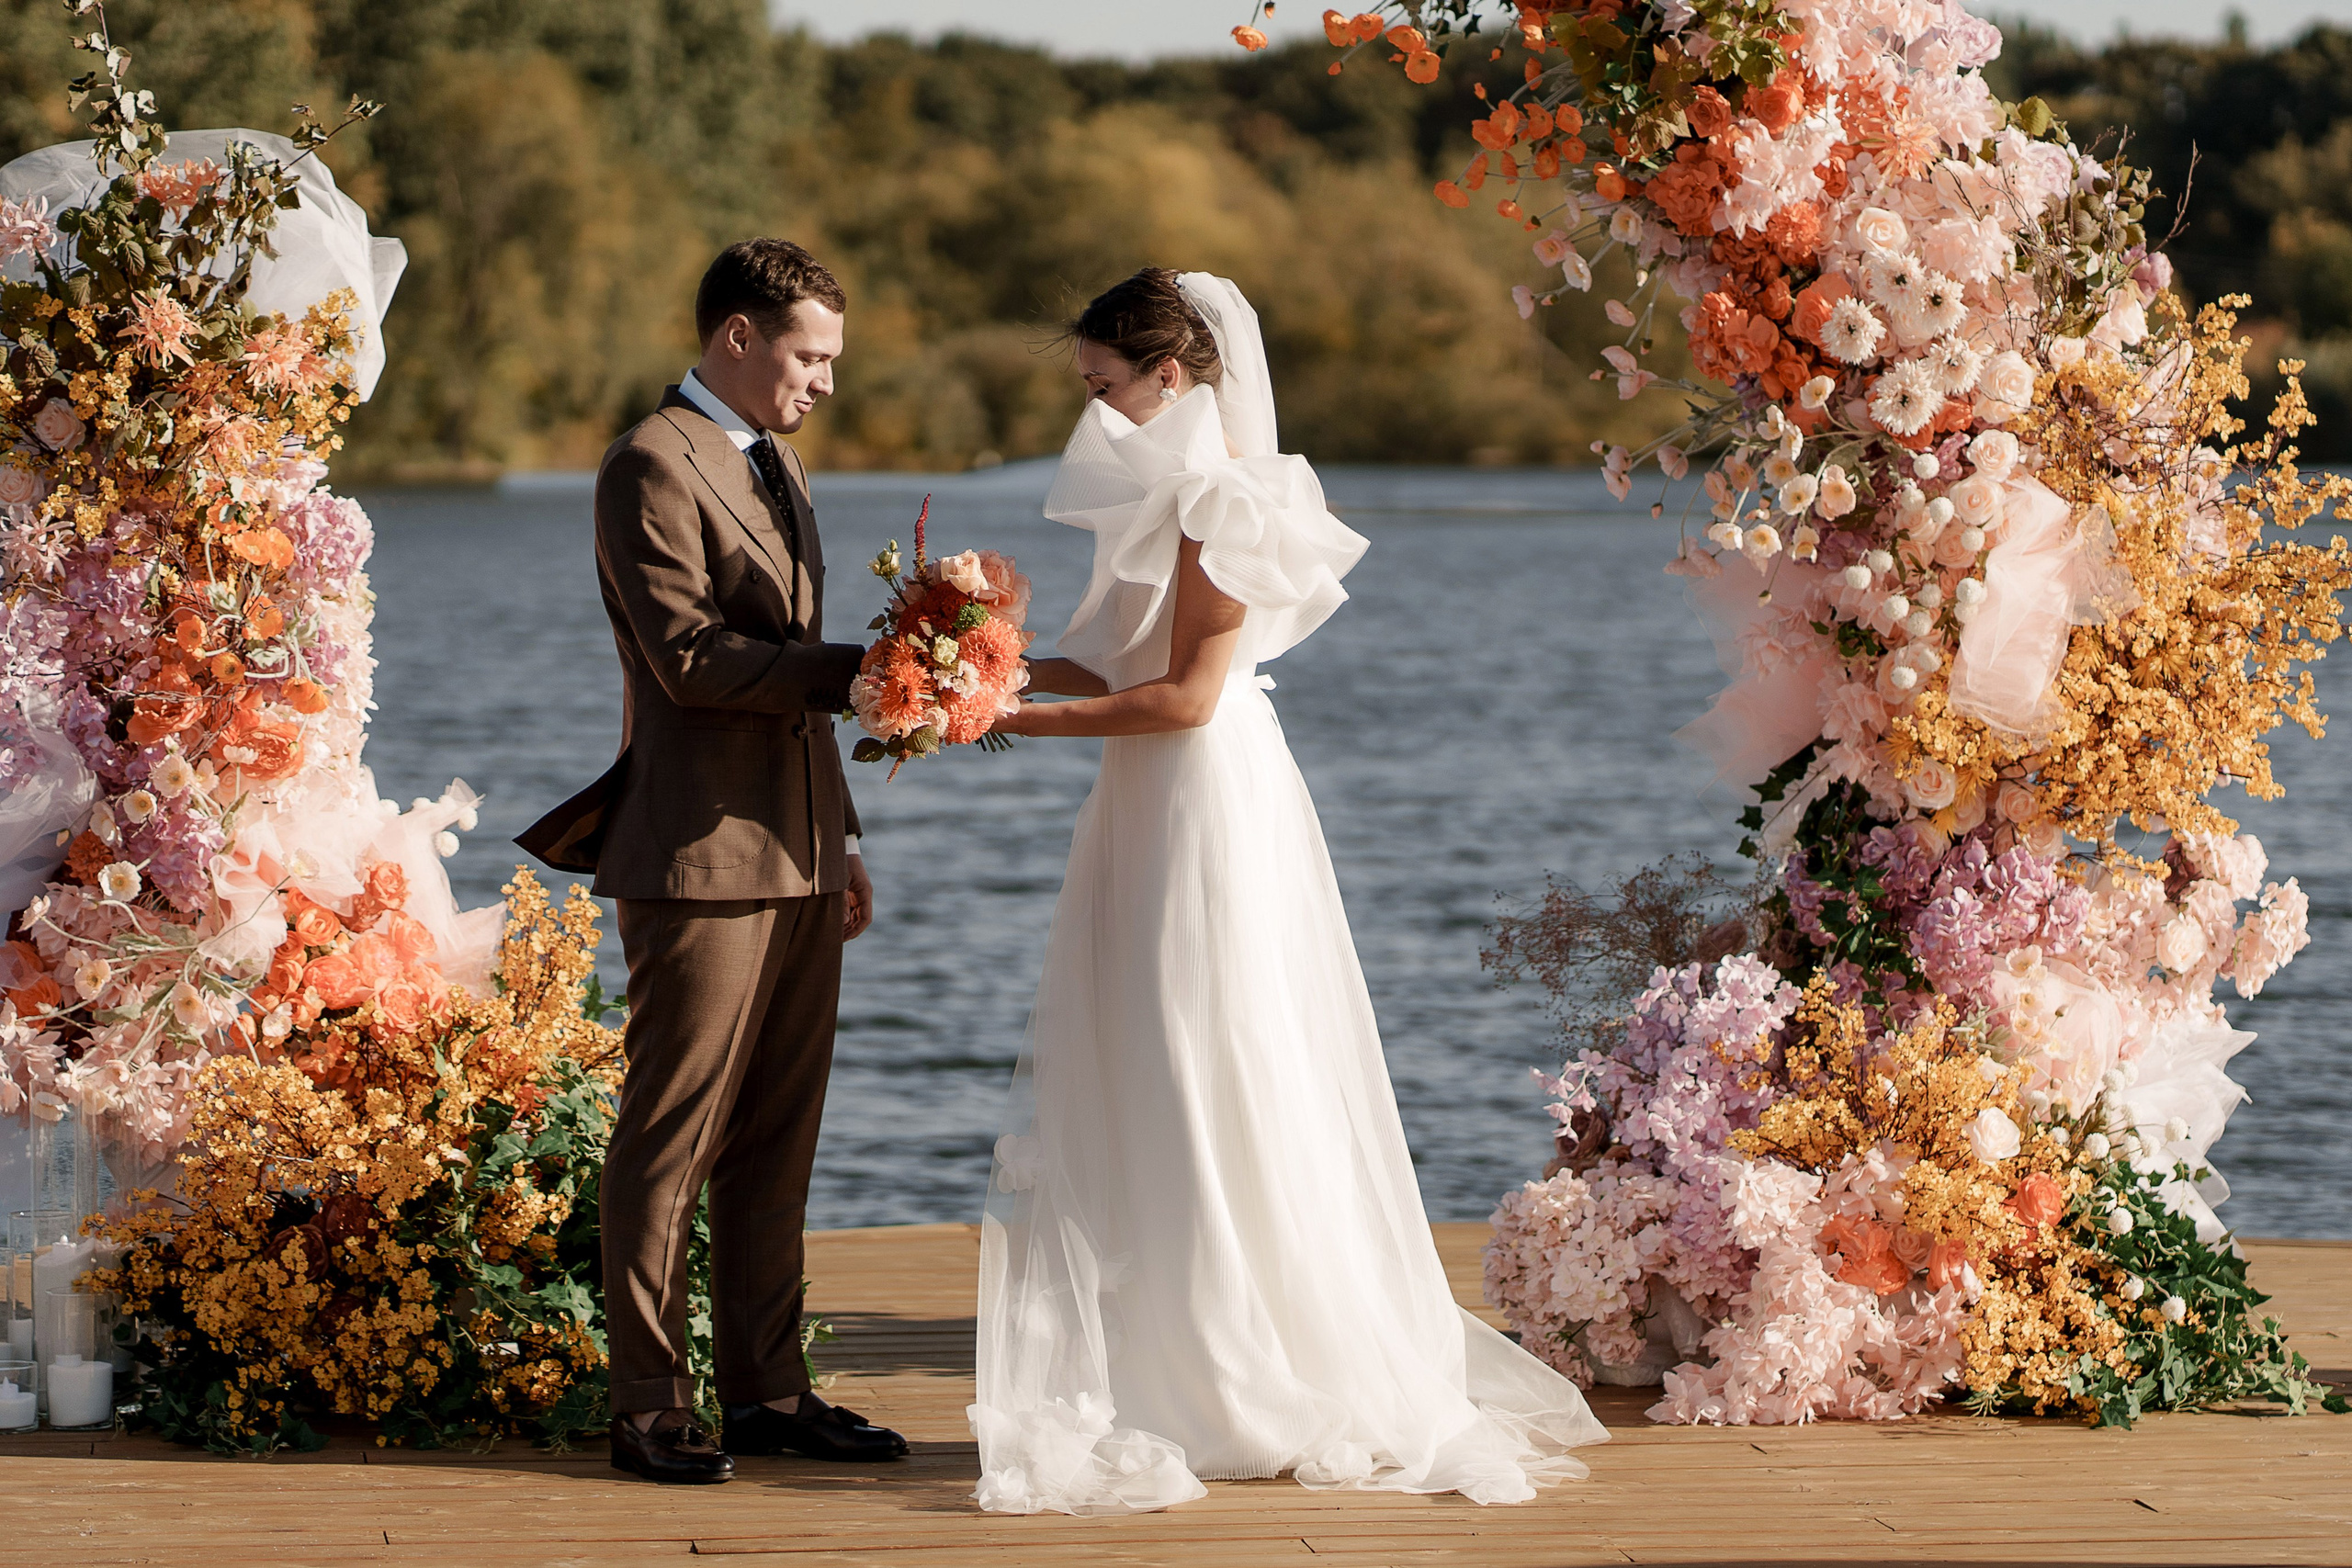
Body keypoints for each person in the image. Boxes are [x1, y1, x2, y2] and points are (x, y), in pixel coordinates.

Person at [967, 268, 1608, 1515]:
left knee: (1213, 1054)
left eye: (1107, 386)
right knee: (1149, 1055)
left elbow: (1187, 696)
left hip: (1202, 791)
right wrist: (973, 660)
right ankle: (1173, 1350)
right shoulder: (1162, 494)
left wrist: (1007, 720)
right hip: (1146, 798)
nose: (1093, 412)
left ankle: (1246, 1363)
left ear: (1173, 374)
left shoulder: (1220, 498)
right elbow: (1109, 658)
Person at [518, 239, 908, 1484]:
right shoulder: (649, 461)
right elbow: (687, 661)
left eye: (831, 360)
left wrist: (840, 832)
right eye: (808, 356)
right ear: (735, 338)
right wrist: (872, 671)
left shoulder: (777, 459)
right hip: (694, 850)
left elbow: (782, 660)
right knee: (670, 1133)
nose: (824, 384)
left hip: (795, 845)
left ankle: (768, 1394)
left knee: (780, 1135)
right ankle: (648, 1403)